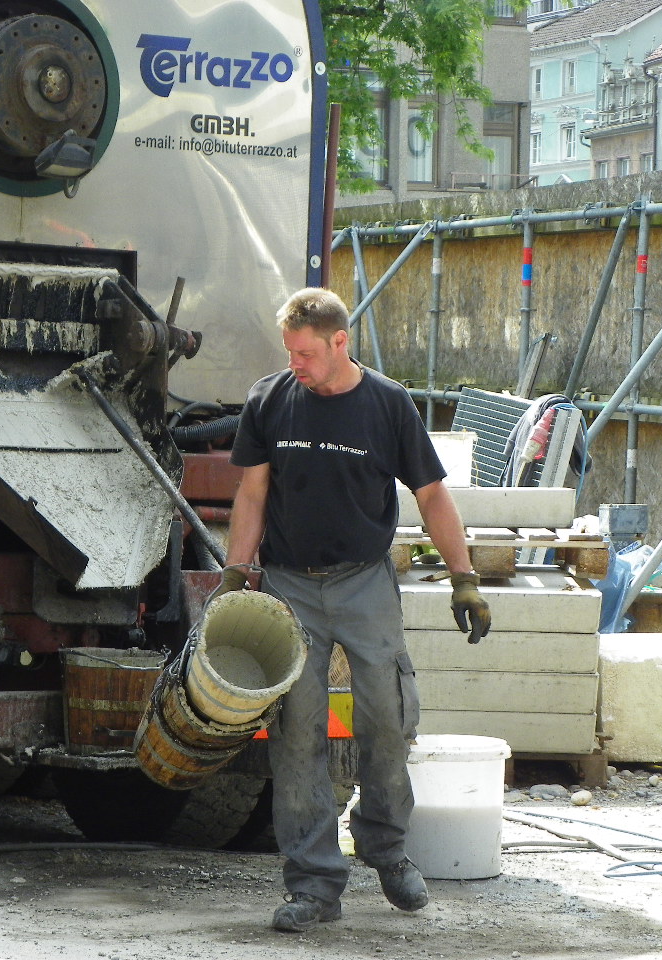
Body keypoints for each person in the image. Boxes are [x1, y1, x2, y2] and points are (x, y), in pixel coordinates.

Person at [211, 287, 491, 933]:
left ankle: (386, 849)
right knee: (297, 735)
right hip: (289, 586)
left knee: (388, 720)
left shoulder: (387, 404)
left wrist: (464, 579)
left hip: (364, 581)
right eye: (289, 353)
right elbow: (251, 494)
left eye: (305, 354)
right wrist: (236, 574)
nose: (296, 365)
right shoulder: (270, 399)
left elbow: (433, 495)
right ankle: (313, 884)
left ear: (340, 342)